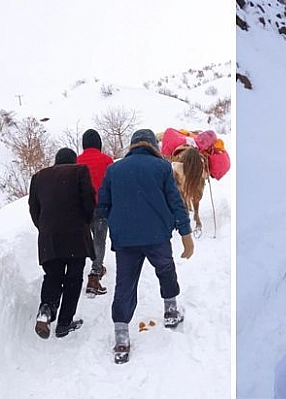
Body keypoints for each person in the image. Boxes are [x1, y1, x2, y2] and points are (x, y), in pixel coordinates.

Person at [98, 128, 195, 363]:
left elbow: (102, 206)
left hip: (125, 240)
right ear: (153, 145)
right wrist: (185, 233)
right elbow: (176, 201)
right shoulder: (162, 167)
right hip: (156, 236)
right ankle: (171, 311)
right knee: (165, 269)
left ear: (133, 146)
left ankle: (121, 339)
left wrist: (117, 225)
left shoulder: (113, 170)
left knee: (124, 284)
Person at [29, 148, 95, 338]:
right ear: (73, 160)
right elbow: (89, 203)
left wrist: (45, 228)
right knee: (73, 278)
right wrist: (84, 223)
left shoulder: (39, 177)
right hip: (75, 235)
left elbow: (34, 209)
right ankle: (64, 323)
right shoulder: (80, 171)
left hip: (49, 238)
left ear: (56, 161)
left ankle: (46, 310)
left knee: (52, 275)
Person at [77, 128, 114, 296]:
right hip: (101, 207)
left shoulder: (76, 161)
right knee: (99, 240)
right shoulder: (107, 160)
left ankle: (89, 268)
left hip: (82, 209)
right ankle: (95, 273)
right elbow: (113, 184)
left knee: (87, 240)